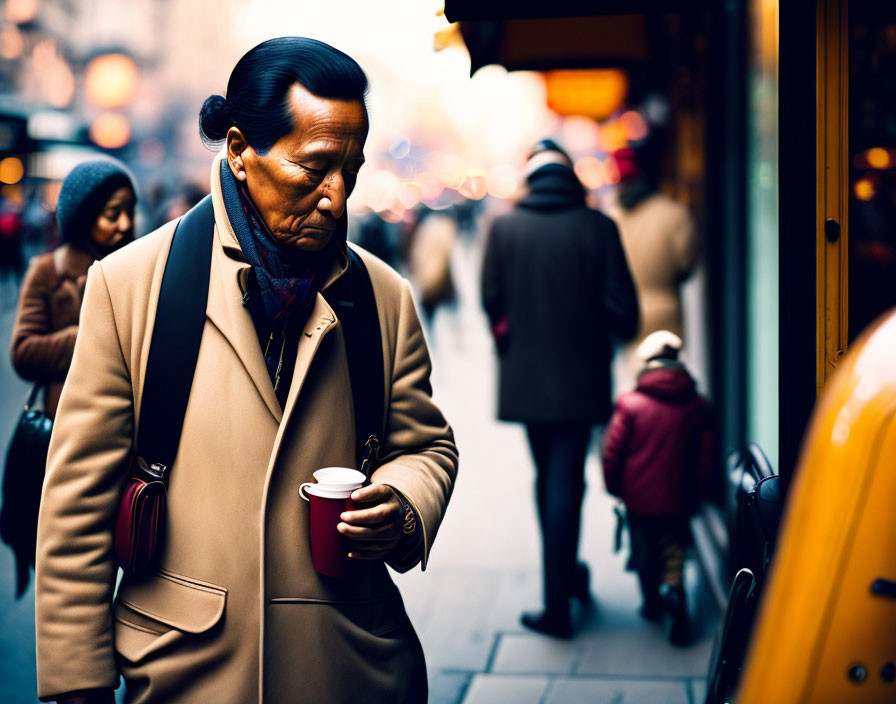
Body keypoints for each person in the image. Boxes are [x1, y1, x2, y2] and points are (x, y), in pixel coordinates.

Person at [34, 37, 457, 704]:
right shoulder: (130, 285)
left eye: (350, 169)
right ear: (238, 151)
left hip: (349, 666)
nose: (336, 197)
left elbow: (426, 445)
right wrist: (78, 681)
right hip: (182, 670)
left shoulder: (384, 296)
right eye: (314, 168)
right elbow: (76, 508)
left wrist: (403, 502)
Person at [481, 139, 639, 638]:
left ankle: (562, 589)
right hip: (582, 378)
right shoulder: (599, 228)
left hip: (526, 380)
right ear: (570, 178)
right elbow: (626, 314)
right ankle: (561, 593)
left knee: (548, 474)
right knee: (566, 479)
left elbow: (490, 300)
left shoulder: (504, 228)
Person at [601, 330, 715, 646]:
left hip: (638, 500)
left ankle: (652, 603)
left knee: (644, 554)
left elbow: (612, 453)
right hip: (680, 499)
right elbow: (705, 458)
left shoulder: (630, 404)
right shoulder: (697, 406)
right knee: (674, 551)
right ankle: (675, 593)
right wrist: (702, 492)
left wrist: (614, 487)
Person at [10, 159, 136, 420]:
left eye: (129, 212)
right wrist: (91, 337)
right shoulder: (47, 272)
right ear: (84, 217)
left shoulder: (138, 265)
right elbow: (23, 352)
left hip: (127, 420)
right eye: (112, 214)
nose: (124, 224)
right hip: (66, 422)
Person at [608, 147, 698, 392]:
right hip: (665, 309)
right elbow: (685, 263)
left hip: (628, 313)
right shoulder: (674, 213)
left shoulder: (612, 217)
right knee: (667, 383)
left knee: (633, 382)